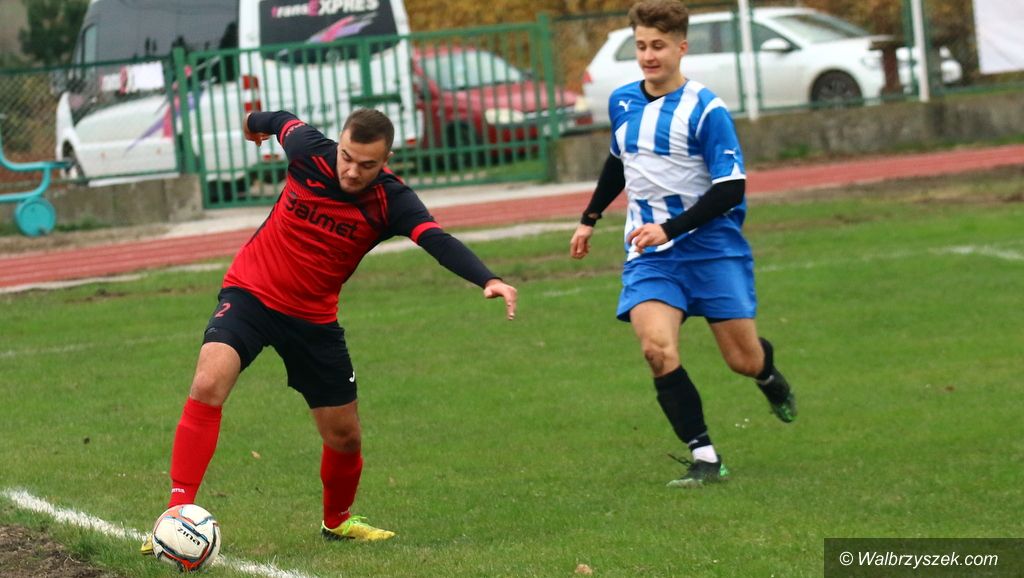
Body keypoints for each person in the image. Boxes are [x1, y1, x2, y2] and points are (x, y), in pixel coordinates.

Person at [141, 108, 517, 550]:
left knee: (344, 435)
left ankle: (337, 522)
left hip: (313, 319)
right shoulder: (308, 150)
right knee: (208, 382)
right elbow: (279, 119)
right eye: (347, 157)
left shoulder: (392, 201)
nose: (352, 171)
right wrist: (252, 124)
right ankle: (174, 518)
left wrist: (488, 278)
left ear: (386, 160)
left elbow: (436, 240)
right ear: (338, 145)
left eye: (367, 165)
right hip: (251, 294)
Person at [569, 0, 796, 488]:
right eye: (641, 46)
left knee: (742, 360)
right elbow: (618, 163)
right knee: (656, 349)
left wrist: (671, 228)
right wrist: (589, 219)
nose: (648, 56)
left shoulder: (706, 110)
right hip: (651, 255)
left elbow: (730, 188)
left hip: (712, 249)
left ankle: (767, 374)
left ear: (681, 47)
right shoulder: (623, 101)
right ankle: (706, 457)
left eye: (658, 46)